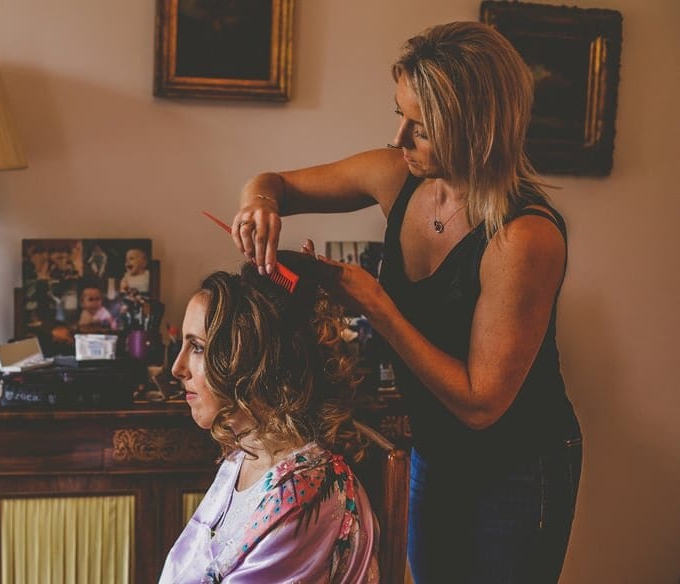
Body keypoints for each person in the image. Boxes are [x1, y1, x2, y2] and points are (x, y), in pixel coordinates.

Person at [231, 21, 582, 584]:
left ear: (474, 129)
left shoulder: (524, 236)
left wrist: (377, 305)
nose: (399, 139)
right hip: (435, 449)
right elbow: (271, 182)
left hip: (517, 467)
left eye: (420, 128)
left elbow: (480, 404)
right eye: (400, 115)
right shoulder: (397, 175)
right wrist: (259, 206)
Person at [160, 252, 380, 583]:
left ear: (250, 359)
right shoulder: (244, 457)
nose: (177, 369)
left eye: (198, 348)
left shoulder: (303, 500)